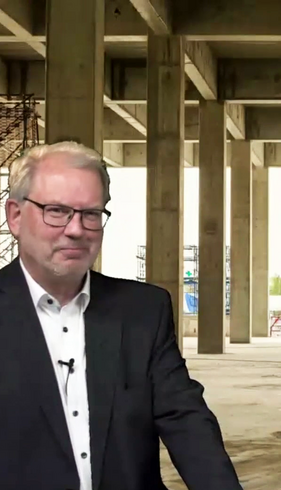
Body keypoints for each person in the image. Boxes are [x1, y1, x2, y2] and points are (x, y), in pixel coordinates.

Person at [0, 141, 242, 489]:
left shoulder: (144, 311)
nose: (76, 229)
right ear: (15, 216)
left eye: (90, 214)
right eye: (56, 210)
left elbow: (186, 420)